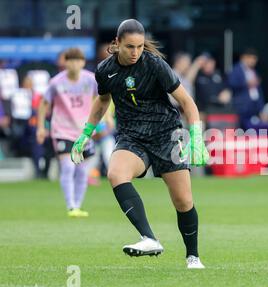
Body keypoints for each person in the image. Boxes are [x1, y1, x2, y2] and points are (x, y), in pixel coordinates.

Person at [70, 19, 209, 269]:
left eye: (139, 47)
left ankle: (193, 257)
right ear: (117, 44)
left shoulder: (155, 65)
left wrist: (196, 137)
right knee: (115, 173)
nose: (135, 52)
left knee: (183, 201)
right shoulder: (104, 70)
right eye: (130, 47)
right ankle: (149, 238)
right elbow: (102, 101)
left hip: (166, 134)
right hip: (131, 136)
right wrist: (85, 133)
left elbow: (188, 103)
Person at [36, 48, 97, 217]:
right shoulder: (56, 82)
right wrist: (41, 127)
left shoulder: (91, 80)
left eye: (78, 60)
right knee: (68, 166)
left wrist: (105, 117)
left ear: (83, 62)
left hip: (84, 132)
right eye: (70, 60)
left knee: (82, 171)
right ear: (65, 63)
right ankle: (71, 206)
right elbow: (43, 103)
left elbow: (103, 98)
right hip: (62, 130)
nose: (74, 64)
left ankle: (77, 205)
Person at [228, 47, 265, 128]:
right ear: (244, 57)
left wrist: (261, 109)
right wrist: (246, 83)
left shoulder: (254, 72)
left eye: (255, 59)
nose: (253, 61)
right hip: (241, 108)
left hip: (254, 108)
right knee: (240, 133)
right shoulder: (236, 70)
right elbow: (231, 84)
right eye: (251, 58)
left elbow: (258, 91)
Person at [194, 52, 231, 121]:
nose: (208, 65)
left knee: (228, 124)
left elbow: (227, 89)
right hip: (200, 111)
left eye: (209, 62)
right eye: (205, 63)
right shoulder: (197, 75)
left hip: (218, 110)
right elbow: (187, 82)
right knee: (196, 130)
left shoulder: (219, 75)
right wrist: (196, 64)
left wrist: (227, 93)